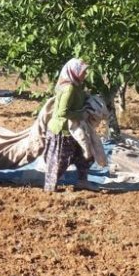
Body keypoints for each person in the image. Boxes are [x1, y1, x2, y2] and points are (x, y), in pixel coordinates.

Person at [43, 57, 95, 193]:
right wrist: (81, 115)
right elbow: (62, 112)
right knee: (60, 161)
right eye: (83, 71)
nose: (85, 74)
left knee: (85, 156)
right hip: (62, 130)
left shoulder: (76, 85)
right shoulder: (69, 88)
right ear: (74, 71)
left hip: (75, 129)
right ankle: (50, 187)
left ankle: (82, 181)